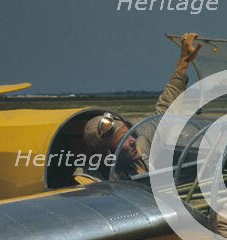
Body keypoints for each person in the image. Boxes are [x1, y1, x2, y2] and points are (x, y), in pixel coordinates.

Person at [74, 32, 203, 184]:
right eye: (122, 140)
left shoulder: (140, 145)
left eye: (129, 134)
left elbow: (164, 112)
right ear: (109, 154)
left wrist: (184, 62)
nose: (132, 140)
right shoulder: (93, 180)